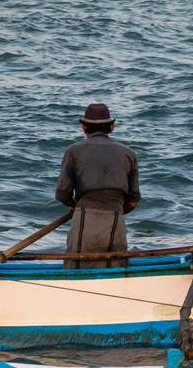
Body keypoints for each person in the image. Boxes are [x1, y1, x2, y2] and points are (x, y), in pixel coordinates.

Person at [56, 102, 140, 268]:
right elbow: (133, 200)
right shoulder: (128, 153)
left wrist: (74, 206)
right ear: (112, 126)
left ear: (84, 127)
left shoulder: (73, 151)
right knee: (116, 266)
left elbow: (62, 194)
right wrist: (116, 210)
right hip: (116, 220)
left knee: (77, 266)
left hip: (84, 218)